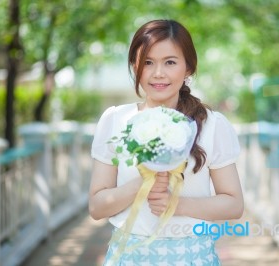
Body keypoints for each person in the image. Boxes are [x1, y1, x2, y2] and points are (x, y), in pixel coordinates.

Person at [89, 19, 244, 265]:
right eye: (147, 63)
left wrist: (177, 204)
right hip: (129, 257)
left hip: (192, 256)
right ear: (134, 66)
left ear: (188, 68)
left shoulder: (212, 125)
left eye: (170, 62)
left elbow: (234, 204)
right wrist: (144, 181)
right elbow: (97, 207)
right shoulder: (116, 120)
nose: (158, 73)